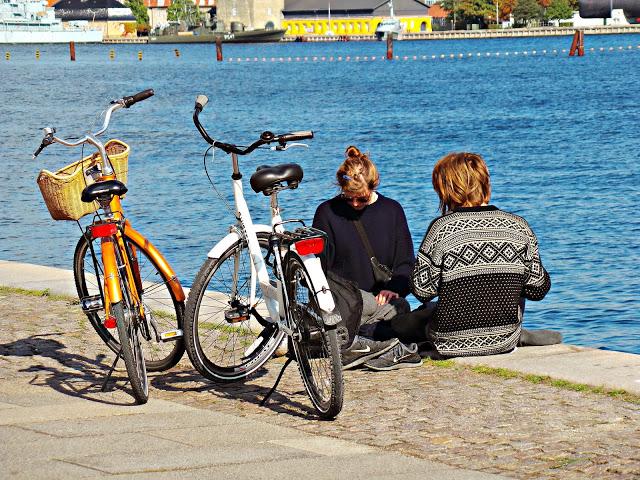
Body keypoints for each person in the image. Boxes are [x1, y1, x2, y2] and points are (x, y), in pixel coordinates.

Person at [385, 152, 554, 360]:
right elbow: (539, 288)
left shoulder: (442, 228)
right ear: (485, 183)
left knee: (402, 323)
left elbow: (422, 289)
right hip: (504, 341)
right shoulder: (518, 226)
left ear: (447, 190)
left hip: (449, 342)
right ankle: (509, 329)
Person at [313, 146, 422, 370]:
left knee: (399, 306)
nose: (354, 205)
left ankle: (354, 339)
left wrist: (394, 286)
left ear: (373, 186)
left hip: (380, 301)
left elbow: (406, 262)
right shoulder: (327, 212)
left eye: (360, 199)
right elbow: (319, 266)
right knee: (398, 314)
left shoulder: (392, 210)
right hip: (343, 299)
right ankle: (367, 340)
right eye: (348, 198)